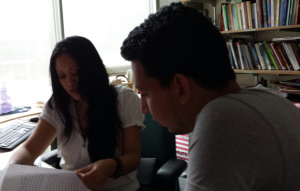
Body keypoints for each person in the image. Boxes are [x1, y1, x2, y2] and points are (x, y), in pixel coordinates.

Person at [121, 3, 300, 191]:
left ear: (180, 87)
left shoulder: (222, 121)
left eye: (145, 94)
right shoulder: (271, 99)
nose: (144, 108)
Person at [8, 36, 145, 191]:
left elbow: (133, 157)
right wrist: (13, 169)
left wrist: (111, 166)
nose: (69, 82)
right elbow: (29, 149)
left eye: (76, 73)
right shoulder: (57, 105)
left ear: (91, 69)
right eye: (62, 76)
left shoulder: (123, 99)